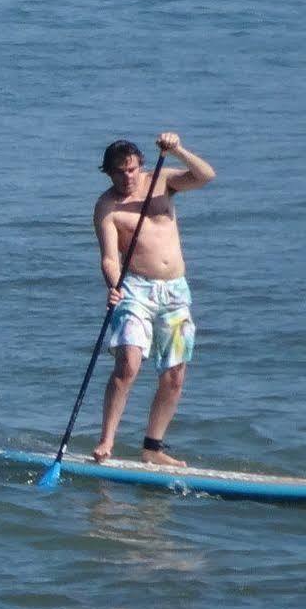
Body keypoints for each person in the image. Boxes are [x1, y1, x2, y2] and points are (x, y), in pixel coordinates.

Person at [91, 133, 216, 465]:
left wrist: (177, 151)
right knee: (128, 364)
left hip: (175, 291)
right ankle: (106, 442)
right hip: (135, 290)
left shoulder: (163, 180)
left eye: (131, 170)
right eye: (119, 172)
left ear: (140, 166)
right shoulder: (107, 206)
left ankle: (152, 448)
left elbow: (206, 176)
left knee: (175, 375)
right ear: (108, 173)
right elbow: (109, 257)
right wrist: (113, 284)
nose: (127, 177)